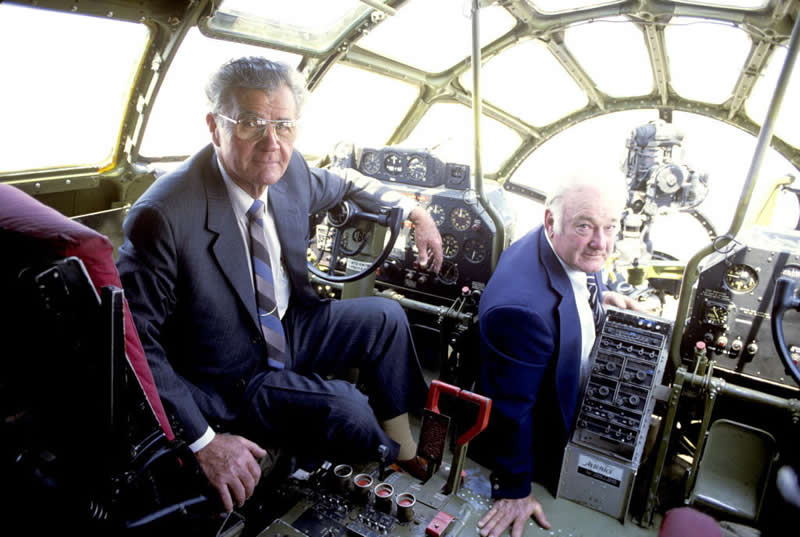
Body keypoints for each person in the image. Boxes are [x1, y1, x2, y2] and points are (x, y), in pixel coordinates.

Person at [116, 56, 443, 513]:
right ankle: (384, 469)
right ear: (215, 126)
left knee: (385, 316)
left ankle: (405, 450)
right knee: (346, 408)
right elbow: (133, 343)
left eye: (284, 125)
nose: (272, 142)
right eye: (250, 123)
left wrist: (414, 211)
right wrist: (203, 442)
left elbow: (346, 183)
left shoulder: (289, 172)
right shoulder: (164, 215)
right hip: (229, 375)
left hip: (289, 327)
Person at [475, 171, 641, 537]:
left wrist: (600, 299)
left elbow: (585, 273)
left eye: (611, 227)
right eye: (585, 226)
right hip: (540, 436)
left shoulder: (563, 247)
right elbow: (511, 409)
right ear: (551, 221)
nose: (602, 243)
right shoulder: (522, 311)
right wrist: (515, 489)